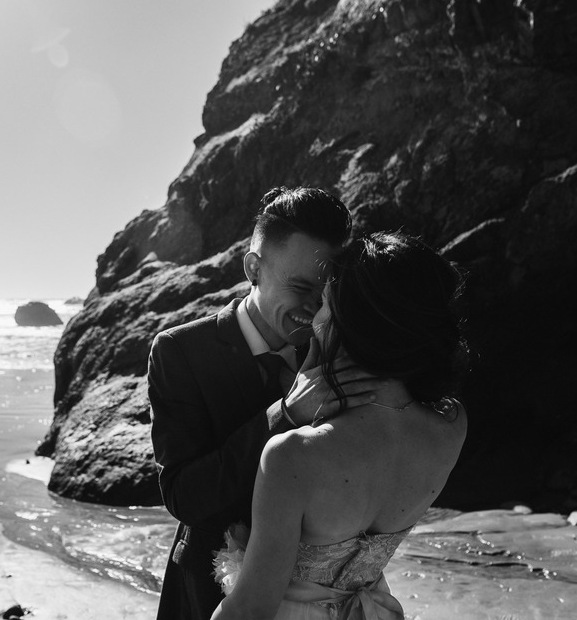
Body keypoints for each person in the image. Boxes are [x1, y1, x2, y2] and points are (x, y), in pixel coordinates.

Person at [148, 187, 397, 620]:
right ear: (253, 268)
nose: (315, 307)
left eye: (328, 291)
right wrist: (286, 415)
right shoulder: (179, 351)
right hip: (209, 593)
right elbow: (184, 496)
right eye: (301, 287)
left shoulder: (342, 349)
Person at [210, 231, 470, 620]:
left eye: (325, 305)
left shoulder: (293, 457)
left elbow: (250, 608)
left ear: (349, 323)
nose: (315, 317)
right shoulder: (452, 423)